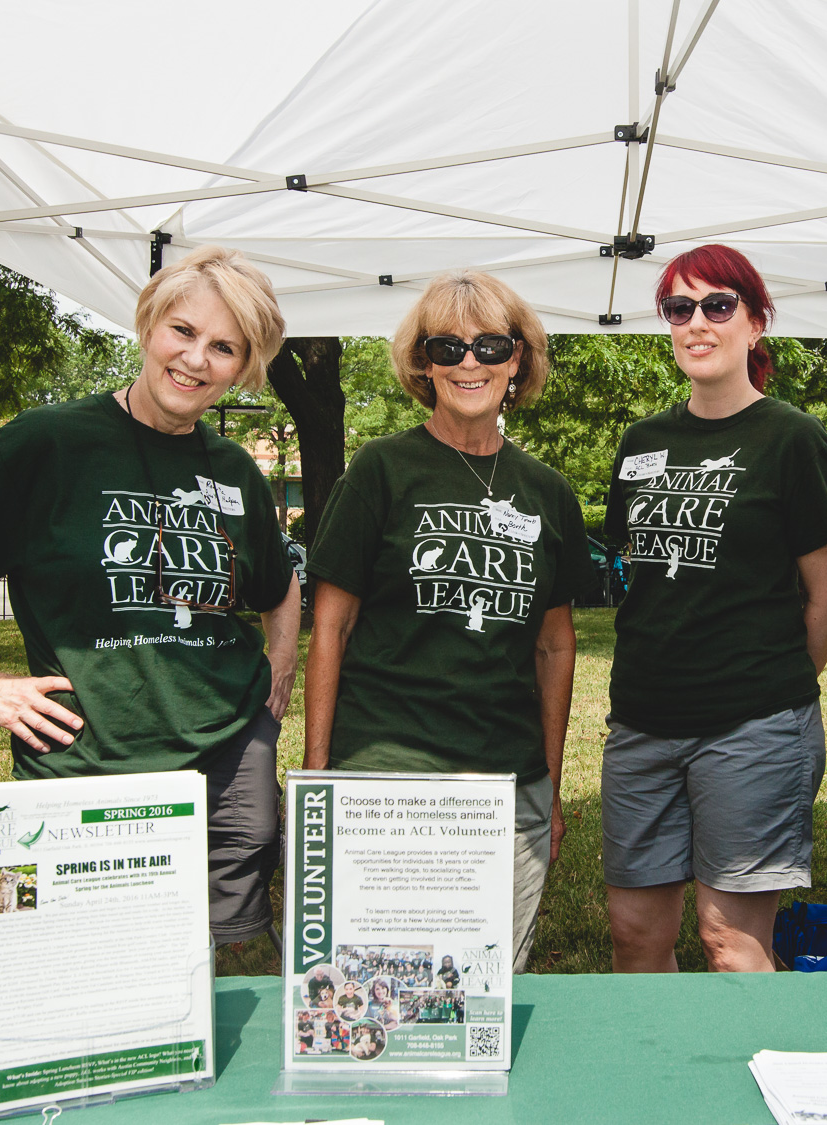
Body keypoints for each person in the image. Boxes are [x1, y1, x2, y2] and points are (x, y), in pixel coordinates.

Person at [0, 245, 299, 947]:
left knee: (232, 955)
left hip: (230, 756)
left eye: (224, 347)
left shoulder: (234, 469)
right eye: (182, 331)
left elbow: (281, 585)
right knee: (80, 962)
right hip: (86, 758)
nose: (195, 359)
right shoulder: (49, 443)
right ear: (149, 326)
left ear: (243, 368)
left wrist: (280, 666)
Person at [303, 270, 594, 974]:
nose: (471, 362)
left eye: (492, 345)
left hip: (506, 778)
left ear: (518, 360)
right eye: (448, 346)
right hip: (387, 773)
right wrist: (317, 779)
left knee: (484, 982)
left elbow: (556, 646)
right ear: (423, 362)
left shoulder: (550, 492)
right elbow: (332, 627)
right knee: (376, 980)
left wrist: (549, 786)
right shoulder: (381, 469)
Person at [601, 244, 827, 973]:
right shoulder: (642, 441)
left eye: (718, 305)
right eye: (680, 309)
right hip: (642, 722)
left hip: (752, 726)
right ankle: (660, 1079)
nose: (697, 323)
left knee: (730, 941)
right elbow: (641, 571)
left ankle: (743, 1080)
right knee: (633, 932)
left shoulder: (791, 437)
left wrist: (770, 684)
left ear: (755, 321)